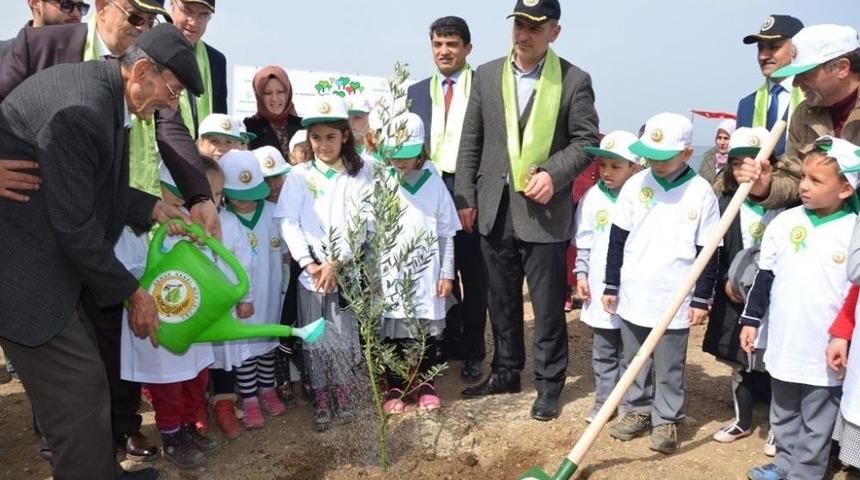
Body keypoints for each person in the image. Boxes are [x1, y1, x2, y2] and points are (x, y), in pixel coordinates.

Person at [0, 4, 221, 460]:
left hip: (43, 261)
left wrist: (154, 206)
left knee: (90, 388)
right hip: (23, 274)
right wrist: (133, 293)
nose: (171, 104)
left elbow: (98, 187)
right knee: (79, 397)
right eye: (172, 90)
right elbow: (75, 222)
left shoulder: (108, 97)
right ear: (142, 71)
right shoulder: (85, 110)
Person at [455, 0, 599, 421]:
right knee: (500, 301)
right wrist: (465, 196)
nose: (524, 33)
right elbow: (471, 142)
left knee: (549, 307)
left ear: (554, 32)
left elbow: (586, 141)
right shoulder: (486, 74)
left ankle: (550, 384)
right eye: (519, 23)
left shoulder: (574, 80)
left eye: (535, 27)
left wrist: (554, 174)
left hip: (544, 212)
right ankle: (505, 371)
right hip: (494, 209)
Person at [741, 136, 859, 480]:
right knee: (784, 410)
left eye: (816, 181)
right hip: (784, 342)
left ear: (846, 190)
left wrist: (845, 337)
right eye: (804, 177)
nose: (804, 186)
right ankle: (783, 463)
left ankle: (805, 472)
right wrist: (751, 320)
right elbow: (765, 275)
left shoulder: (852, 232)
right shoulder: (785, 222)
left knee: (818, 416)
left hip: (824, 350)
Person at [603, 113, 720, 454]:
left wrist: (701, 299)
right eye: (650, 154)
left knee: (669, 364)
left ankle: (666, 415)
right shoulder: (635, 186)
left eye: (663, 156)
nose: (655, 162)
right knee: (634, 357)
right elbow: (617, 240)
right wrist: (611, 285)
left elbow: (708, 252)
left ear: (685, 152)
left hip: (676, 297)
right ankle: (638, 409)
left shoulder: (700, 193)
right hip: (635, 290)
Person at [117, 163, 222, 469]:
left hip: (194, 321)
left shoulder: (204, 227)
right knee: (168, 386)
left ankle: (189, 427)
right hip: (161, 326)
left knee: (196, 378)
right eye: (177, 199)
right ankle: (173, 437)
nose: (184, 207)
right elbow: (130, 271)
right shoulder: (139, 229)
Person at [276, 96, 371, 431]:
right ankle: (320, 394)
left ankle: (343, 392)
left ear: (344, 135)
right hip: (311, 276)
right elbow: (288, 220)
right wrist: (309, 262)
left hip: (345, 273)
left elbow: (362, 224)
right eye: (316, 138)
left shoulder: (360, 174)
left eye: (330, 136)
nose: (323, 145)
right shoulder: (300, 175)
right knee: (314, 337)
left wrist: (336, 262)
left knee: (343, 335)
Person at [408, 15, 488, 382]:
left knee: (472, 276)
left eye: (452, 44)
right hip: (425, 190)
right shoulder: (415, 91)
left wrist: (469, 194)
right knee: (433, 274)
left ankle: (473, 350)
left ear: (467, 48)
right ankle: (442, 345)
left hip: (466, 188)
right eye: (438, 44)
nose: (444, 51)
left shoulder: (484, 85)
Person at [701, 127, 781, 448]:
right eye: (736, 164)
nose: (743, 170)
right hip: (736, 297)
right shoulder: (725, 204)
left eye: (754, 161)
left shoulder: (786, 206)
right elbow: (715, 252)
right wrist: (724, 284)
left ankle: (779, 426)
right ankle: (743, 420)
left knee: (776, 363)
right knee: (741, 359)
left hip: (777, 301)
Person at [377, 113, 461, 415]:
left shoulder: (434, 184)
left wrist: (446, 272)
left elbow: (446, 233)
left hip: (427, 274)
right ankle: (396, 384)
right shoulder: (383, 182)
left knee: (423, 332)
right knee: (395, 332)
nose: (401, 162)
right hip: (391, 273)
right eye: (395, 156)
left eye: (407, 156)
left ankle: (426, 382)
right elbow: (373, 233)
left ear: (420, 151)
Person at [739, 24, 860, 210]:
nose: (796, 83)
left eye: (804, 73)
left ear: (842, 67)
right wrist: (766, 187)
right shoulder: (803, 115)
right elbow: (794, 177)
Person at [573, 130, 641, 423]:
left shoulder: (641, 197)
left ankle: (627, 400)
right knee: (603, 347)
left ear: (634, 168)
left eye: (616, 166)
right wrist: (581, 274)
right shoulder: (592, 197)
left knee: (631, 349)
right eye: (603, 165)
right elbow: (584, 241)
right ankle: (604, 398)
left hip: (634, 287)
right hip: (601, 286)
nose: (607, 172)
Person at [220, 150, 288, 429]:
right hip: (240, 300)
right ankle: (248, 398)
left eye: (251, 195)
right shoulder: (223, 221)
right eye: (238, 196)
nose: (245, 203)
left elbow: (285, 253)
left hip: (270, 293)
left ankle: (268, 389)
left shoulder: (274, 214)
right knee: (245, 348)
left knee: (267, 345)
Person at [736, 15, 805, 158]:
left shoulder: (815, 98)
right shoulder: (747, 105)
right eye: (760, 48)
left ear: (797, 48)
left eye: (773, 47)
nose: (762, 56)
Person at [168, 0, 228, 137]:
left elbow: (221, 122)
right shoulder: (150, 48)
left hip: (204, 155)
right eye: (187, 11)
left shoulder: (216, 61)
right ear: (172, 4)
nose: (194, 22)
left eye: (203, 15)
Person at [244, 65, 303, 159]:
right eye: (267, 93)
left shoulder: (302, 127)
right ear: (259, 96)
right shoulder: (249, 128)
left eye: (280, 92)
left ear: (288, 93)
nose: (274, 98)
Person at [0, 0, 87, 58]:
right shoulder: (4, 53)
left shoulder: (87, 52)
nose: (76, 13)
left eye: (81, 7)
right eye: (66, 4)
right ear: (36, 3)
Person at [696, 119, 735, 185]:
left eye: (726, 138)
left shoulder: (737, 161)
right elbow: (699, 181)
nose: (722, 142)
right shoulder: (708, 157)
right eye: (719, 138)